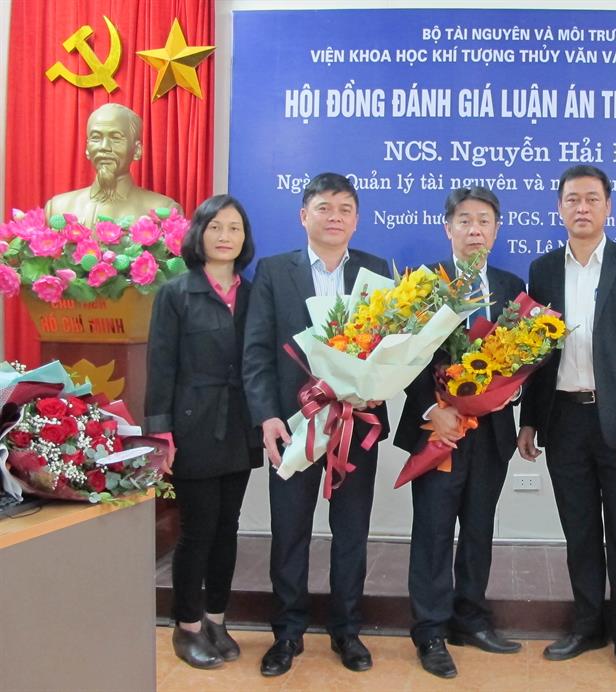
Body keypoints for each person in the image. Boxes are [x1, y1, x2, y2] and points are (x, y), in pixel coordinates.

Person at [517, 165, 616, 681]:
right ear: (559, 207)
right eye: (572, 199)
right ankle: (586, 627)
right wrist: (530, 420)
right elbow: (535, 354)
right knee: (579, 533)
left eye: (592, 199)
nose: (582, 207)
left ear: (608, 207)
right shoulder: (542, 269)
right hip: (564, 420)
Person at [242, 172, 390, 677]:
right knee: (289, 531)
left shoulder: (376, 271)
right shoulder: (273, 271)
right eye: (324, 207)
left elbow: (392, 347)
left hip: (355, 422)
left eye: (345, 209)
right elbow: (257, 352)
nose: (334, 217)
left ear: (357, 219)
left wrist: (381, 385)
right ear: (304, 215)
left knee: (352, 531)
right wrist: (266, 416)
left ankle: (347, 630)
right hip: (293, 424)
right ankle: (287, 632)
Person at [394, 187, 526, 679]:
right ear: (447, 227)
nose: (475, 230)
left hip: (490, 433)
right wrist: (433, 408)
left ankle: (470, 618)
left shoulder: (511, 285)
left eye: (484, 221)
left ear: (496, 229)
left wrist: (511, 393)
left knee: (478, 527)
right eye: (465, 220)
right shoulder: (422, 284)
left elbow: (523, 357)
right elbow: (400, 358)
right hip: (438, 432)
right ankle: (429, 629)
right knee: (432, 531)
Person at [145, 194, 263, 669]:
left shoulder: (254, 294)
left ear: (244, 237)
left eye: (234, 228)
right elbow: (161, 368)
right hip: (193, 425)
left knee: (228, 528)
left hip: (240, 424)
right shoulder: (176, 293)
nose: (225, 236)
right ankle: (187, 626)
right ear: (199, 234)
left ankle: (216, 619)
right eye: (215, 227)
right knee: (197, 531)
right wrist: (161, 434)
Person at [45, 103, 181, 224]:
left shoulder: (163, 212)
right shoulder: (58, 209)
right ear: (87, 148)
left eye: (116, 138)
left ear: (137, 150)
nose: (104, 147)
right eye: (96, 137)